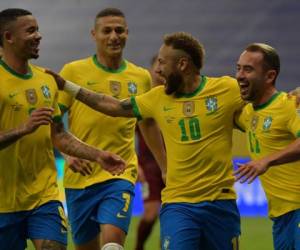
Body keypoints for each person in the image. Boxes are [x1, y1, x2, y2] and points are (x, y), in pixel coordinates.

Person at [49, 31, 245, 250]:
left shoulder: (227, 90)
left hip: (221, 203)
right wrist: (68, 86)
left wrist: (291, 99)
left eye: (162, 62)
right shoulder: (157, 97)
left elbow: (262, 107)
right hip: (178, 203)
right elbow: (112, 106)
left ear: (182, 64)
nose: (157, 70)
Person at [0, 8, 125, 250]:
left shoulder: (46, 80)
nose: (39, 36)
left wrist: (97, 155)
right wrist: (22, 129)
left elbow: (59, 135)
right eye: (31, 31)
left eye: (37, 29)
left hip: (44, 197)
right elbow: (25, 130)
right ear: (8, 37)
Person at [57, 8, 165, 250]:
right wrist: (67, 154)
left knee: (113, 244)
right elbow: (52, 122)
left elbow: (147, 123)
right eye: (107, 31)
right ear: (94, 34)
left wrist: (165, 166)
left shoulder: (140, 77)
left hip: (120, 172)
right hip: (80, 177)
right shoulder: (73, 72)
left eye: (119, 30)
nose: (114, 36)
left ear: (127, 33)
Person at [233, 43, 300, 249]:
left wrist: (266, 161)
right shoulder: (247, 114)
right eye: (238, 68)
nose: (239, 75)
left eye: (248, 69)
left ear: (270, 76)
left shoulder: (289, 105)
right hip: (280, 217)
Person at [134, 55, 165, 250]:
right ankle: (138, 247)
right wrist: (136, 165)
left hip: (173, 165)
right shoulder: (141, 100)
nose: (161, 71)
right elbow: (127, 136)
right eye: (158, 66)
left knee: (174, 215)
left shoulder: (174, 98)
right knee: (151, 213)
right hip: (149, 167)